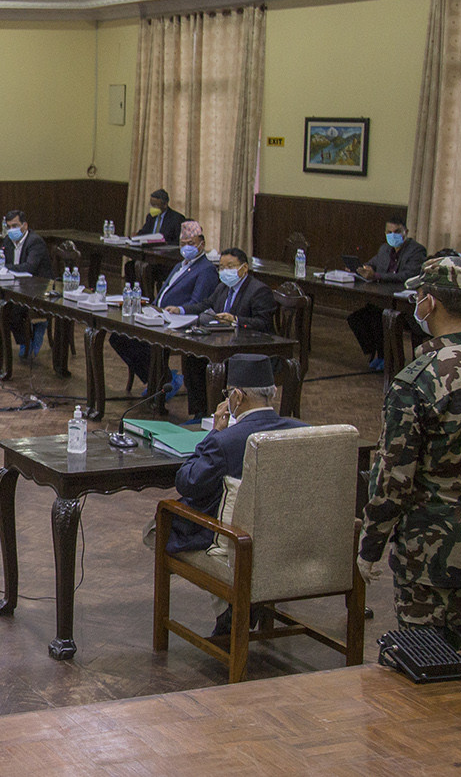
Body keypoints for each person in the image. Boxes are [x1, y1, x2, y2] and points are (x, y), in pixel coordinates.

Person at [357, 256, 461, 651]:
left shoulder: (418, 381)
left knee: (426, 664)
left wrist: (370, 545)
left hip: (433, 555)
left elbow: (393, 481)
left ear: (429, 302)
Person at [149, 354, 305, 636]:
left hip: (240, 544)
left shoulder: (225, 441)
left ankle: (231, 610)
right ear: (271, 392)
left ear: (237, 396)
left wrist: (213, 434)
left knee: (158, 527)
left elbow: (187, 481)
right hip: (291, 540)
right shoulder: (303, 432)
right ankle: (243, 606)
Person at [165, 248, 277, 421]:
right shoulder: (223, 287)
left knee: (214, 365)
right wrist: (181, 310)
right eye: (222, 267)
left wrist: (236, 320)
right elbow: (205, 305)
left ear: (244, 268)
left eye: (230, 267)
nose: (225, 271)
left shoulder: (258, 290)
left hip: (249, 346)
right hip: (222, 341)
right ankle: (200, 413)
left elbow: (264, 323)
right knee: (193, 356)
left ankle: (217, 414)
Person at [110, 221, 218, 398]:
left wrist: (179, 309)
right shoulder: (181, 265)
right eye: (183, 244)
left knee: (131, 340)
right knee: (119, 336)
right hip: (159, 314)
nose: (186, 247)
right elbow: (163, 293)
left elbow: (198, 303)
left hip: (178, 322)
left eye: (191, 243)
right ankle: (160, 378)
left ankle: (162, 380)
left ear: (202, 244)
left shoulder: (206, 269)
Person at [347, 217, 428, 371]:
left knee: (379, 316)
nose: (393, 235)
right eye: (389, 232)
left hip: (404, 303)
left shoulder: (416, 250)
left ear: (406, 232)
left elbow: (407, 276)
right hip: (383, 297)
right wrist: (361, 269)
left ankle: (389, 358)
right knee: (357, 318)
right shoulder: (384, 249)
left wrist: (377, 276)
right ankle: (380, 354)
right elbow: (371, 264)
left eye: (397, 232)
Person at [0, 209, 53, 358]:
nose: (11, 230)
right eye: (8, 227)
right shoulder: (8, 240)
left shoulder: (35, 241)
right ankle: (25, 339)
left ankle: (32, 334)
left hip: (38, 288)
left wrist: (5, 267)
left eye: (15, 226)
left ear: (25, 225)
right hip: (17, 285)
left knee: (12, 309)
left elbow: (29, 267)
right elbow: (2, 260)